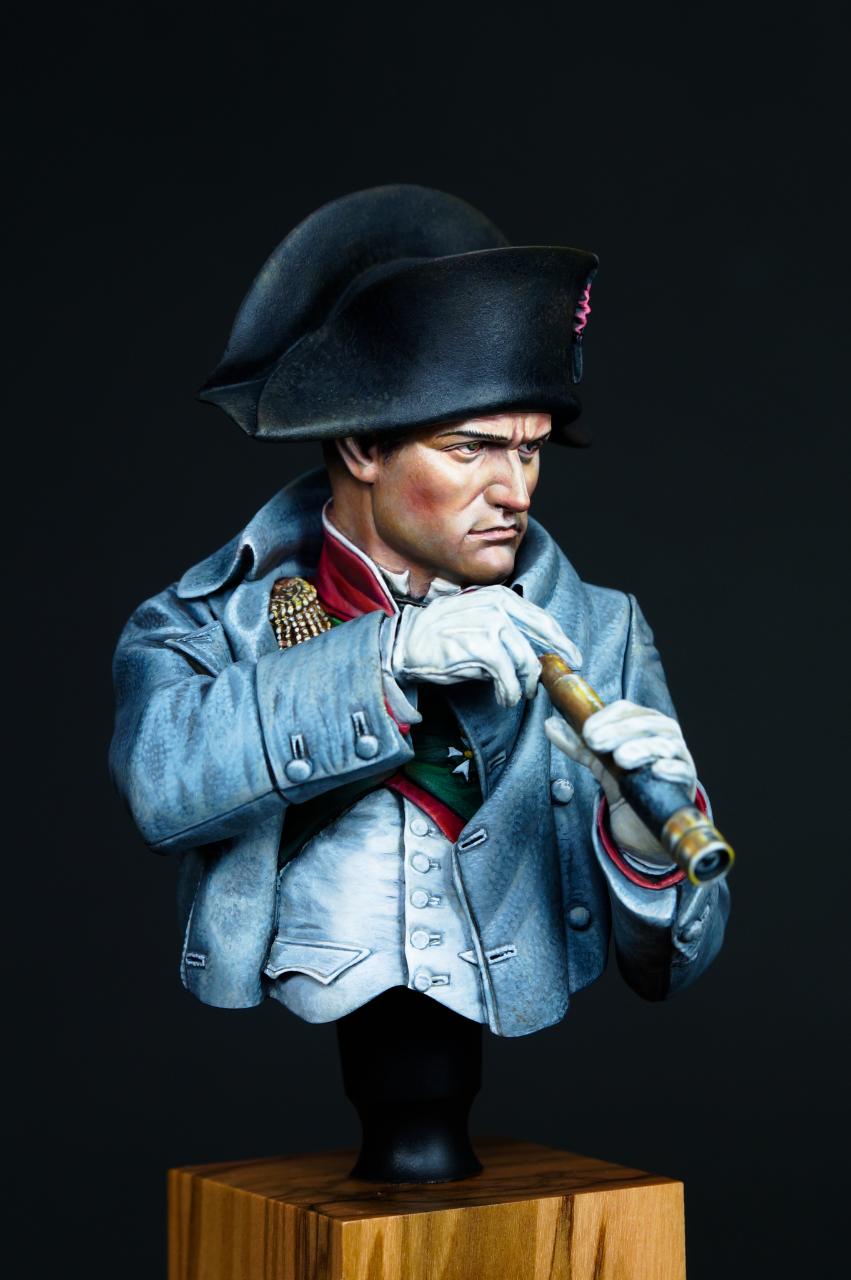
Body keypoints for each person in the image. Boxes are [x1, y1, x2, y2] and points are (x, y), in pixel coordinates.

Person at [110, 184, 729, 1046]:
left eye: (529, 451)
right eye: (470, 448)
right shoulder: (212, 619)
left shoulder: (600, 629)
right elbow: (161, 789)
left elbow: (670, 966)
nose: (514, 492)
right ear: (363, 446)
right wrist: (386, 654)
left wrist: (645, 848)